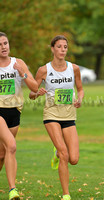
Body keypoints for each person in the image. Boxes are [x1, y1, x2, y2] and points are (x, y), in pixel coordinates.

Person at [29, 35, 84, 200]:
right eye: (59, 47)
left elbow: (80, 89)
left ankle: (57, 153)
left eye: (65, 47)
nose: (62, 50)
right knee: (64, 153)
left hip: (68, 115)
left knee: (73, 159)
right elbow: (32, 93)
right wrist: (37, 93)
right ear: (52, 49)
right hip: (51, 114)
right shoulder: (43, 70)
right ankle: (66, 194)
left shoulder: (74, 68)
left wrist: (79, 99)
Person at [0, 32, 38, 200]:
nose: (3, 47)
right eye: (0, 45)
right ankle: (12, 190)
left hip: (15, 112)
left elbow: (35, 87)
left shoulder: (18, 63)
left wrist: (23, 73)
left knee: (2, 154)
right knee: (12, 146)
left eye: (5, 43)